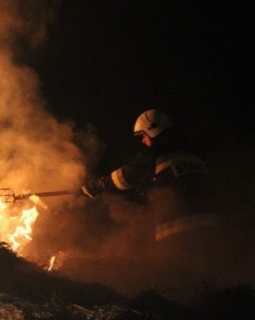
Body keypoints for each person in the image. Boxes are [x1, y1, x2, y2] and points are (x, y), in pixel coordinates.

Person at [81, 109, 223, 297]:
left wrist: (96, 186)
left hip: (176, 227)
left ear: (152, 130)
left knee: (178, 282)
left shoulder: (155, 153)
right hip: (208, 225)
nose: (143, 141)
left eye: (143, 136)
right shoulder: (191, 152)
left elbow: (124, 178)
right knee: (205, 279)